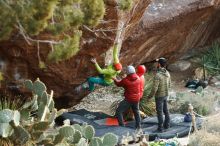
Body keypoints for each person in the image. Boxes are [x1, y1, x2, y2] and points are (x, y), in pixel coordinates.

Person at [147, 57, 171, 132]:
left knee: (160, 112)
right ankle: (167, 125)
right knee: (166, 110)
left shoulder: (158, 75)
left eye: (157, 63)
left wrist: (149, 96)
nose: (157, 64)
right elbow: (169, 84)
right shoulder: (167, 73)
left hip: (159, 96)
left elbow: (154, 88)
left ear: (159, 64)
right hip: (166, 94)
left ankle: (160, 128)